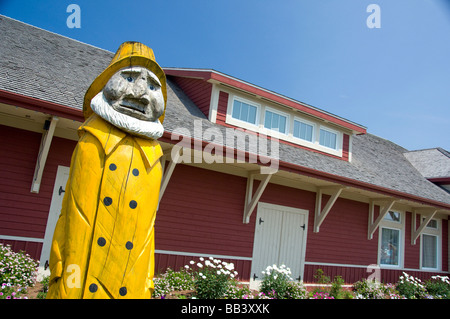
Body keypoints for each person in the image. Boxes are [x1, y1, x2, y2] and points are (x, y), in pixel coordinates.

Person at [46, 42, 167, 299]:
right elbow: (76, 216)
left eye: (153, 86)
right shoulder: (92, 141)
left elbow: (148, 230)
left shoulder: (155, 158)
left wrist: (147, 281)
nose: (141, 92)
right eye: (130, 77)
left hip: (132, 285)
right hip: (81, 280)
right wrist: (65, 272)